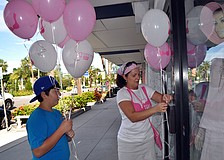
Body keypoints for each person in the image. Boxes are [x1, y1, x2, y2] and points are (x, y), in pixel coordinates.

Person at [116, 61, 172, 160]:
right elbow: (133, 117)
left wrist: (166, 97)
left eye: (139, 74)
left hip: (147, 139)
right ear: (125, 77)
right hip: (129, 143)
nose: (138, 78)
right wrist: (155, 109)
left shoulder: (144, 88)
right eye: (134, 75)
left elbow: (161, 98)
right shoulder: (122, 93)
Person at [26, 76, 75, 160]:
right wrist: (62, 130)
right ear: (44, 94)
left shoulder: (56, 113)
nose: (59, 94)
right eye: (56, 91)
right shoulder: (36, 118)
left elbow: (58, 138)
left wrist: (68, 134)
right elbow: (38, 152)